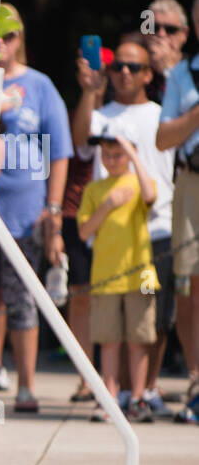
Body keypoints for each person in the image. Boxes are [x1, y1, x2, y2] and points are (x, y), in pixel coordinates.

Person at [0, 5, 71, 414]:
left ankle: (26, 387)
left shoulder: (40, 86)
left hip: (26, 210)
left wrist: (54, 208)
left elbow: (59, 152)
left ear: (21, 40)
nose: (1, 43)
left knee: (23, 300)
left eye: (9, 36)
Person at [73, 35, 173, 414]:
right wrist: (88, 92)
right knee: (113, 330)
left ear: (149, 74)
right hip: (110, 247)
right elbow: (80, 142)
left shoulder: (163, 113)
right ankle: (117, 394)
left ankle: (145, 392)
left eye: (134, 67)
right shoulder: (101, 114)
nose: (125, 73)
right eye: (119, 66)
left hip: (157, 230)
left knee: (154, 321)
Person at [77, 133, 158, 422]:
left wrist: (135, 154)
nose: (112, 160)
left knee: (140, 339)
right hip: (105, 275)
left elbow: (150, 197)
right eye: (107, 155)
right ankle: (109, 397)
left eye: (118, 154)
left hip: (142, 273)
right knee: (108, 340)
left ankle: (138, 398)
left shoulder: (139, 182)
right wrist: (108, 205)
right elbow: (84, 231)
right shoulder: (95, 189)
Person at [156, 0, 199, 417]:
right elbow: (164, 138)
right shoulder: (183, 75)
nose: (161, 37)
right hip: (190, 182)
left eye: (171, 29)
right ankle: (196, 378)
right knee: (187, 284)